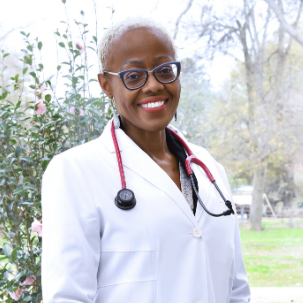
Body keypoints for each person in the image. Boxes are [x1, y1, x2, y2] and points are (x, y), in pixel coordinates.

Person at [42, 19, 251, 303]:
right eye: (133, 76)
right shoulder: (75, 172)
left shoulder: (210, 169)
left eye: (165, 70)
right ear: (106, 84)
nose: (153, 85)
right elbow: (68, 297)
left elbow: (237, 289)